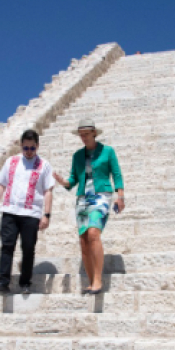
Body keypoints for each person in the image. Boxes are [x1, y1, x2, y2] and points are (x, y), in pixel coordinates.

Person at [52, 118, 125, 295]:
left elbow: (116, 174)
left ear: (94, 133)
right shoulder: (77, 155)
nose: (83, 137)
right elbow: (73, 180)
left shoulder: (107, 151)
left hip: (101, 195)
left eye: (86, 134)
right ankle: (91, 281)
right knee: (84, 240)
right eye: (81, 135)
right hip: (83, 197)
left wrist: (120, 196)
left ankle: (99, 280)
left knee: (93, 233)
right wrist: (63, 181)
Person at [0, 130, 55, 296]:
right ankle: (2, 282)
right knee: (7, 246)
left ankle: (25, 282)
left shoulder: (44, 165)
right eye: (26, 148)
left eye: (32, 148)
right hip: (10, 210)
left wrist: (46, 214)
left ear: (37, 146)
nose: (29, 151)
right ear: (21, 146)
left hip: (31, 213)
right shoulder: (11, 161)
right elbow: (1, 184)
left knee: (28, 247)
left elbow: (48, 191)